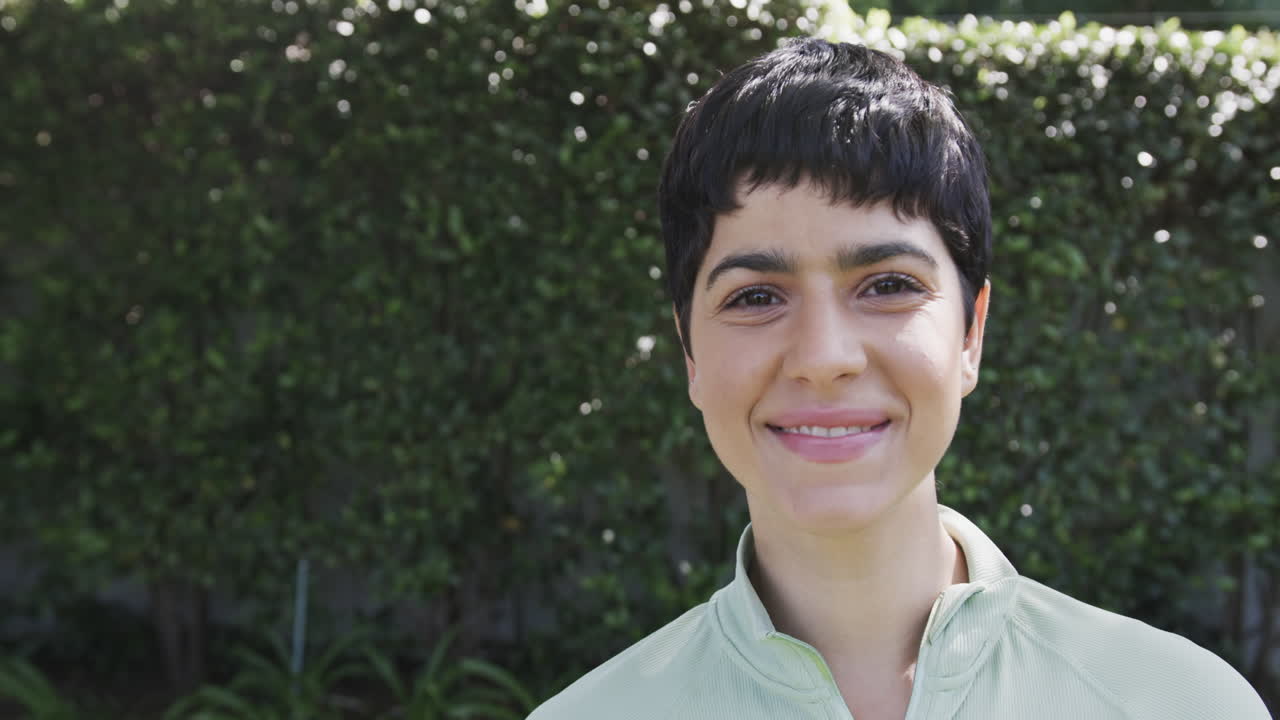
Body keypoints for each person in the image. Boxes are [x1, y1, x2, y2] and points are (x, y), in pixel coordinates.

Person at [527, 38, 1271, 720]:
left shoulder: (1182, 704)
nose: (824, 356)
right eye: (756, 296)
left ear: (972, 332)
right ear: (690, 350)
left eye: (887, 285)